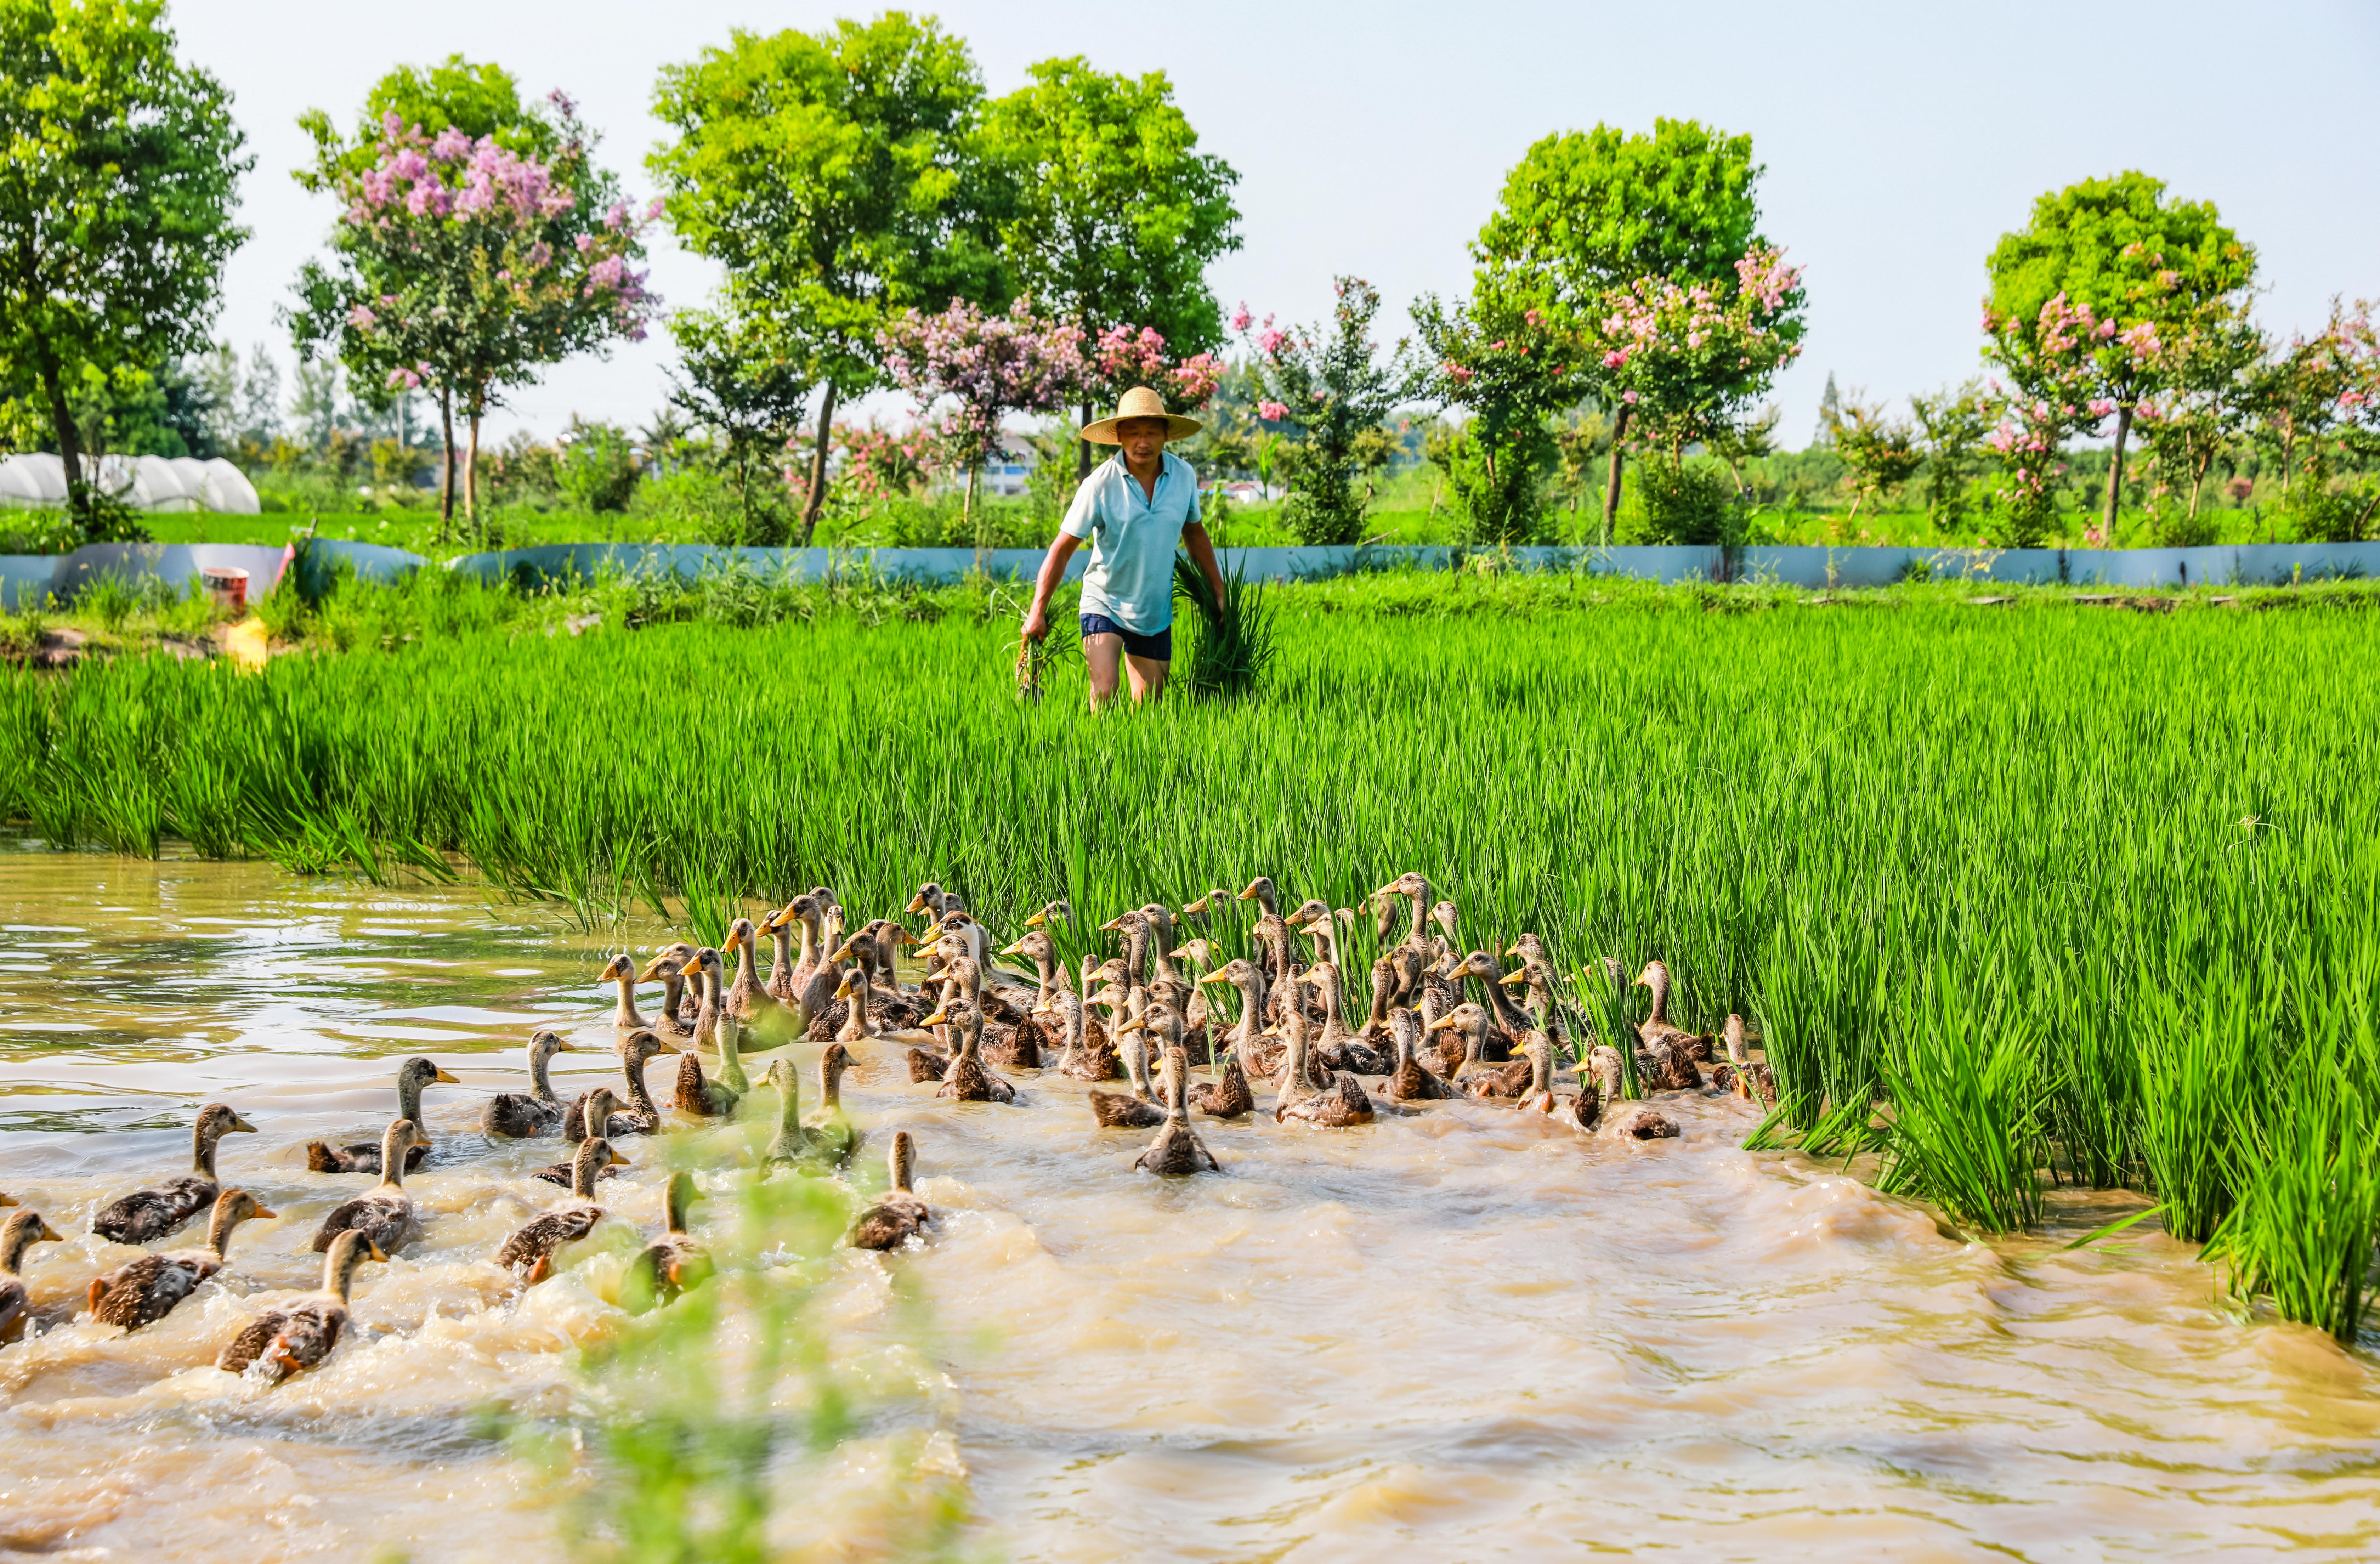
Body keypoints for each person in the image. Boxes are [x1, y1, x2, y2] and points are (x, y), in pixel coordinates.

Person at [1020, 386, 1228, 709]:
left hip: (1154, 609)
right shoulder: (1099, 484)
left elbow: (1196, 535)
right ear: (1119, 436)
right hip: (1104, 600)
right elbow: (1062, 548)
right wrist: (1038, 610)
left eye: (1150, 433)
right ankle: (1092, 758)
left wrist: (1218, 591)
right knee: (1105, 692)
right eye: (1132, 433)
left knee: (1149, 709)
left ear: (1166, 436)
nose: (1142, 443)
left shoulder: (1184, 476)